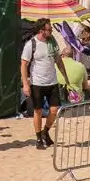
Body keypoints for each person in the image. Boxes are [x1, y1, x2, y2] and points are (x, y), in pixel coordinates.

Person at [20, 19, 68, 150]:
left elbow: (58, 60)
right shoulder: (31, 44)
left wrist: (65, 76)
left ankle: (45, 131)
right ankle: (38, 138)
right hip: (37, 82)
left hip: (52, 81)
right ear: (42, 30)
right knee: (38, 111)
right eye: (49, 29)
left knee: (54, 110)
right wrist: (25, 83)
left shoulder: (52, 42)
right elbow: (24, 64)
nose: (51, 31)